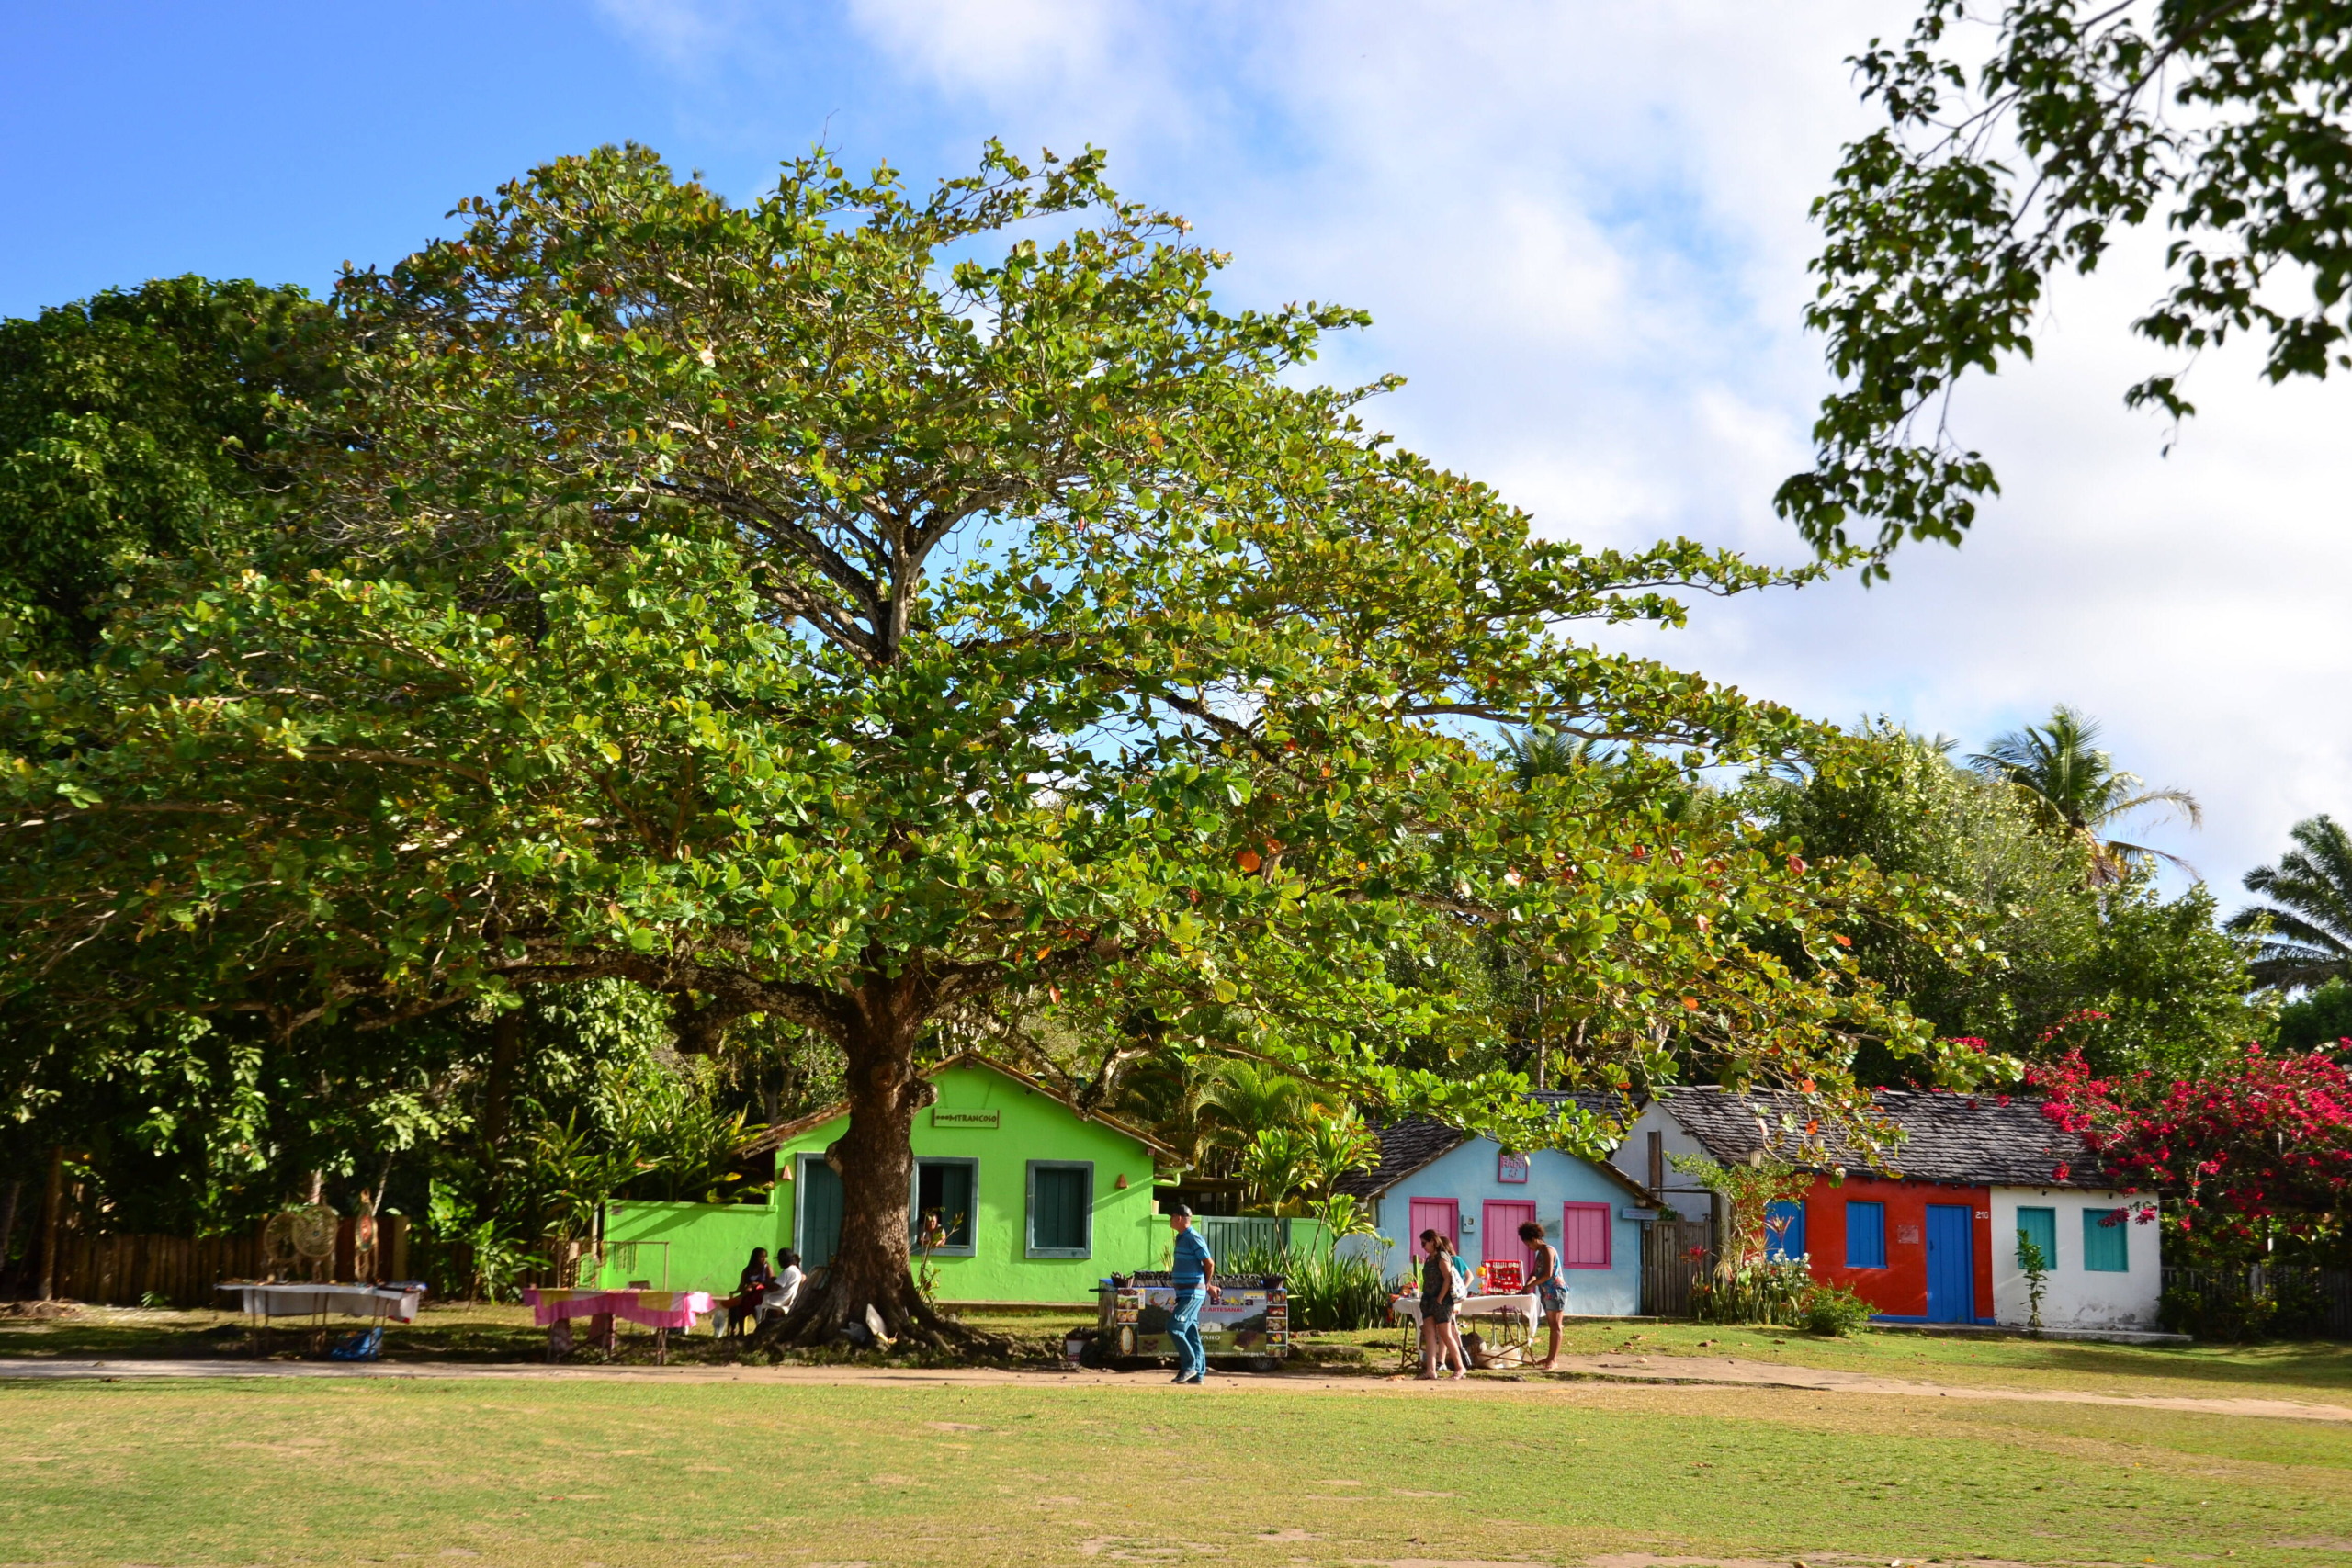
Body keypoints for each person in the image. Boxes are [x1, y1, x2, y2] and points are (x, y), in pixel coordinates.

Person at [1166, 1203, 1219, 1385]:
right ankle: (1199, 1374)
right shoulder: (1181, 1238)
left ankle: (1189, 1366)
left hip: (1192, 1293)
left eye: (1171, 1217)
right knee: (1190, 1333)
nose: (1170, 1220)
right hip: (1185, 1292)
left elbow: (1209, 1263)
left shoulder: (1193, 1238)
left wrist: (1207, 1284)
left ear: (1179, 1218)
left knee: (1174, 1327)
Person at [1418, 1229, 1464, 1381]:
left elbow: (1448, 1278)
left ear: (1432, 1241)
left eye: (1424, 1243)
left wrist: (1440, 1298)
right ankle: (1431, 1370)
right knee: (1429, 1334)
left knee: (1445, 1334)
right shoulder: (1430, 1258)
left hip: (1442, 1302)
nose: (1423, 1246)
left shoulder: (1442, 1256)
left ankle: (1460, 1367)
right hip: (1428, 1301)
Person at [1521, 1219, 1567, 1370]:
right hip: (1546, 1292)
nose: (1528, 1247)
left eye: (1528, 1244)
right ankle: (1549, 1357)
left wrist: (1531, 1285)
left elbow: (1547, 1274)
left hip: (1556, 1291)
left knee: (1556, 1326)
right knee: (1551, 1325)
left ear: (1534, 1239)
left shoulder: (1548, 1250)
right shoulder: (1539, 1253)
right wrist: (1526, 1285)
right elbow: (1535, 1273)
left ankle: (1553, 1360)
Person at [733, 1247, 779, 1337]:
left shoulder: (767, 1268)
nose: (764, 1259)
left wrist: (758, 1284)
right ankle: (740, 1331)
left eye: (765, 1257)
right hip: (749, 1294)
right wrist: (747, 1287)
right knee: (738, 1305)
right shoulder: (747, 1271)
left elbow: (771, 1283)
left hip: (763, 1294)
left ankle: (759, 1329)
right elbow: (741, 1286)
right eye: (761, 1257)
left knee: (752, 1304)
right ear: (755, 1257)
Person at [772, 1249, 805, 1316]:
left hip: (781, 1300)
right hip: (789, 1300)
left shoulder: (788, 1271)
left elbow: (773, 1288)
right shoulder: (796, 1271)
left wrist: (765, 1283)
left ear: (782, 1260)